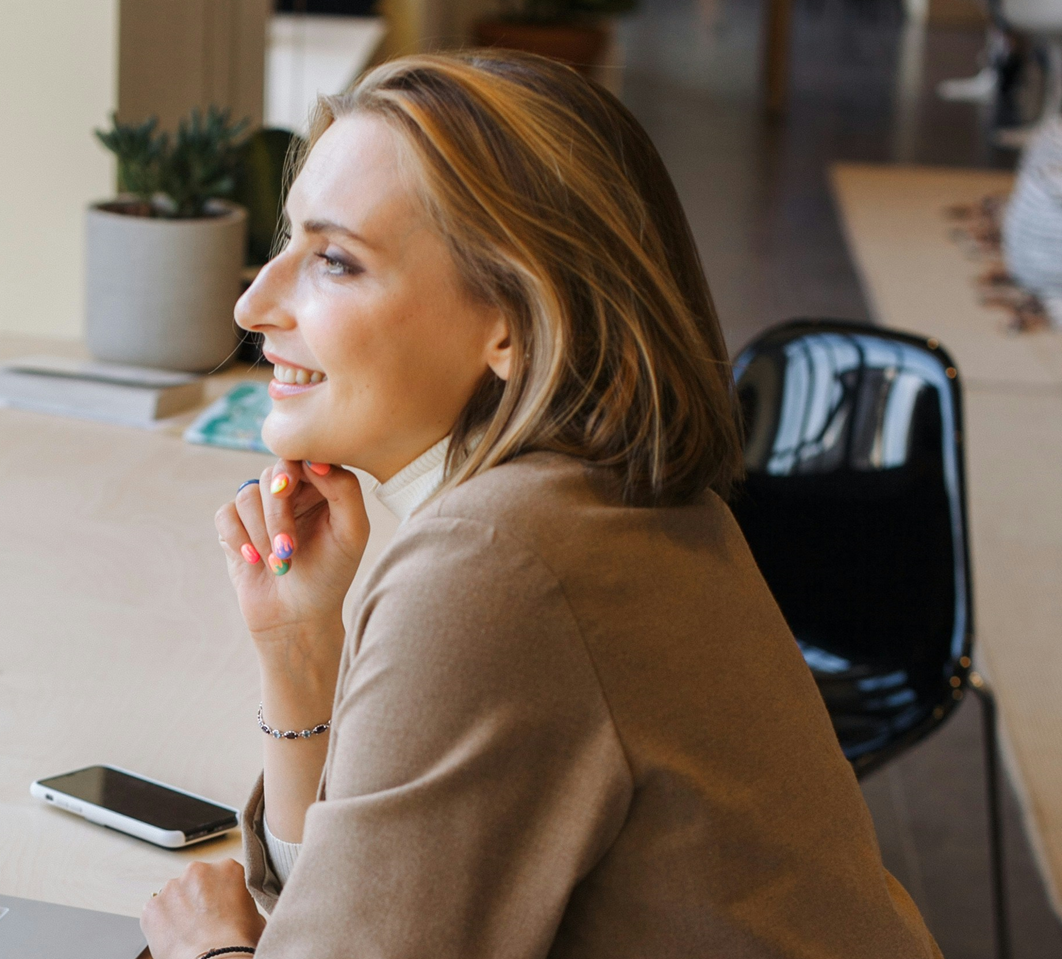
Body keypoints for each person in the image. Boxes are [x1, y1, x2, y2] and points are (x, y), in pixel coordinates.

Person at [142, 51, 941, 959]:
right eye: (289, 243)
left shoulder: (499, 561)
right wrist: (297, 651)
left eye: (335, 261)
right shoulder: (586, 502)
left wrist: (206, 948)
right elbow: (346, 910)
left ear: (514, 321)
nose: (254, 303)